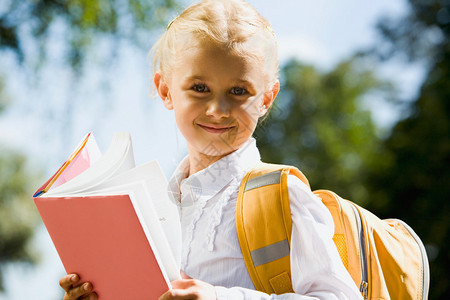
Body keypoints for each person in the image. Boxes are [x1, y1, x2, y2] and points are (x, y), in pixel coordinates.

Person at [59, 0, 363, 299]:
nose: (218, 110)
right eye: (200, 88)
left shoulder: (282, 194)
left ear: (267, 98)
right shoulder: (150, 208)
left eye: (239, 91)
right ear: (166, 90)